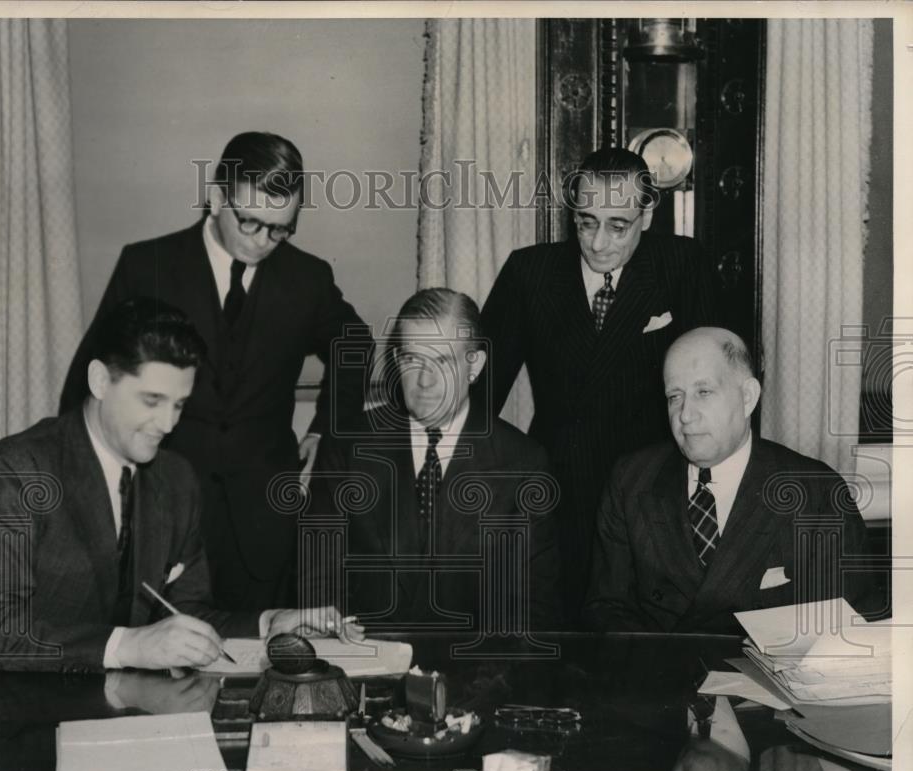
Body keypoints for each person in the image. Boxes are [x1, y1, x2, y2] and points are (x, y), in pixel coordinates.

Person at [0, 298, 361, 673]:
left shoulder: (176, 480)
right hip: (28, 725)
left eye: (179, 404)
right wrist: (127, 646)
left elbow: (185, 615)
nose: (168, 424)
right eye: (151, 401)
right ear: (100, 381)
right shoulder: (16, 470)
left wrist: (269, 622)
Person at [59, 132, 374, 614]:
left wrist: (327, 427)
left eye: (282, 228)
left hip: (266, 522)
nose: (265, 241)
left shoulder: (306, 278)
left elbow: (353, 343)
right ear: (216, 198)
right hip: (162, 513)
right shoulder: (149, 265)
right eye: (251, 222)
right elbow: (90, 380)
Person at [480, 147, 721, 623]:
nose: (599, 243)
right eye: (586, 222)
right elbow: (480, 393)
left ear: (647, 215)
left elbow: (719, 384)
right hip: (557, 485)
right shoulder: (530, 272)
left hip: (652, 493)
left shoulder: (683, 264)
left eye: (618, 225)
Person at [581, 327, 884, 634]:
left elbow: (849, 625)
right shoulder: (631, 481)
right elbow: (607, 611)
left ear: (748, 397)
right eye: (675, 396)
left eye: (703, 392)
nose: (685, 415)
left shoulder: (816, 492)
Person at [305, 288, 559, 634]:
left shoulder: (523, 463)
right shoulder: (348, 447)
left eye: (441, 360)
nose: (424, 381)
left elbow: (532, 608)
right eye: (411, 359)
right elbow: (320, 582)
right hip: (364, 665)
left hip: (476, 675)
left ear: (475, 365)